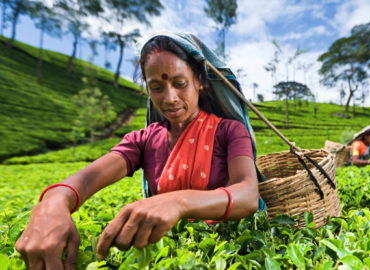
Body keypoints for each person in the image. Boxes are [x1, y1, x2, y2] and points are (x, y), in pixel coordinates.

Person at [15, 33, 261, 269]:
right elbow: (88, 179)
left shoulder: (229, 131)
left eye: (179, 83)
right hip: (164, 254)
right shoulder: (144, 140)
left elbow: (247, 194)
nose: (170, 97)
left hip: (226, 251)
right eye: (156, 87)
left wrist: (179, 202)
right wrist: (55, 202)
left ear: (199, 82)